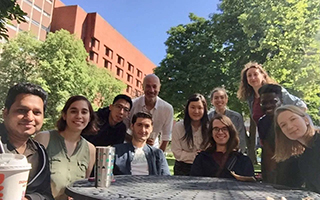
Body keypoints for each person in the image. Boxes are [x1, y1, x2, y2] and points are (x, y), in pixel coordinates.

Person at [34, 95, 97, 199]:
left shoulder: (90, 149)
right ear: (64, 115)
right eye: (73, 111)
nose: (79, 116)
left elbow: (83, 187)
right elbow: (30, 179)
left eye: (84, 112)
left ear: (90, 118)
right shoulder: (44, 138)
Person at [0, 83, 53, 200]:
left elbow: (46, 195)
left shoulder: (40, 153)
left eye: (37, 112)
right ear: (6, 113)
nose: (29, 117)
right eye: (22, 110)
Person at [258, 84, 303, 187]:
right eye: (264, 103)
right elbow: (268, 151)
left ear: (281, 101)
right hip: (276, 169)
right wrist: (269, 179)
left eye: (273, 101)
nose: (268, 106)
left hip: (297, 167)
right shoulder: (262, 122)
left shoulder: (293, 118)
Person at [237, 61, 307, 124]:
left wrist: (290, 121)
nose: (253, 78)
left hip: (283, 135)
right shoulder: (251, 99)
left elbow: (301, 106)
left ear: (263, 76)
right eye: (249, 76)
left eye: (255, 74)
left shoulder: (276, 91)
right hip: (265, 136)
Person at [274, 105, 320, 193]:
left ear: (306, 120)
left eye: (293, 119)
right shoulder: (301, 157)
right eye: (283, 125)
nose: (290, 126)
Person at [125, 74, 174, 152]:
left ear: (159, 88)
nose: (151, 90)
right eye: (148, 86)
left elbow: (166, 137)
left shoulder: (167, 109)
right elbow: (124, 130)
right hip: (130, 146)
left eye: (154, 86)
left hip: (153, 148)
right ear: (143, 87)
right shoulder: (132, 104)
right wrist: (140, 142)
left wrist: (158, 156)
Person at [171, 93, 209, 176]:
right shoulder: (178, 127)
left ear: (204, 109)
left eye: (200, 108)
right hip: (182, 168)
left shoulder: (209, 128)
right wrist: (196, 155)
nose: (196, 111)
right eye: (192, 107)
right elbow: (177, 152)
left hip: (204, 167)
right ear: (187, 108)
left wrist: (187, 154)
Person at [208, 87, 246, 152]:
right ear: (212, 101)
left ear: (226, 100)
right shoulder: (208, 118)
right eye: (216, 98)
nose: (219, 100)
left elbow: (241, 138)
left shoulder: (236, 117)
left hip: (233, 153)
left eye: (222, 97)